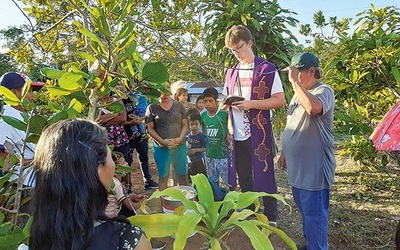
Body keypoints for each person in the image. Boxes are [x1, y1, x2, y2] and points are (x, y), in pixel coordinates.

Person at [30, 119, 151, 249]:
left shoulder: (41, 231)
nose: (114, 165)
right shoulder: (129, 239)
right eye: (111, 156)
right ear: (99, 169)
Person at [223, 25, 285, 224]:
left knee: (264, 172)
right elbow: (226, 98)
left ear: (250, 43)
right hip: (237, 132)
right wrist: (226, 105)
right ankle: (250, 212)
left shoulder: (267, 69)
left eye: (239, 48)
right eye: (232, 50)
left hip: (260, 132)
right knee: (244, 175)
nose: (236, 53)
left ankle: (271, 215)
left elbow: (279, 100)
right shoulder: (231, 72)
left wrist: (251, 104)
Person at [277, 52, 336, 250]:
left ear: (311, 71)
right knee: (306, 213)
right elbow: (291, 123)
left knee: (315, 216)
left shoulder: (324, 91)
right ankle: (311, 244)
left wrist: (295, 83)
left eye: (297, 71)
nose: (293, 76)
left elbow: (313, 108)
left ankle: (317, 246)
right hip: (297, 170)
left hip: (314, 171)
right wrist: (285, 151)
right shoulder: (297, 94)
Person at [0, 72, 44, 187]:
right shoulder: (6, 122)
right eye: (28, 90)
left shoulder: (28, 116)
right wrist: (28, 162)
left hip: (38, 179)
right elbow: (1, 154)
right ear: (14, 93)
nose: (32, 95)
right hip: (24, 183)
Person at [145, 83, 189, 191]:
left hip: (179, 146)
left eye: (167, 88)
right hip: (161, 148)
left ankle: (187, 204)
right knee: (163, 177)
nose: (164, 92)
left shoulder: (178, 106)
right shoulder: (152, 108)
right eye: (161, 89)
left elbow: (185, 124)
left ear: (170, 89)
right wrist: (162, 141)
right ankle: (164, 205)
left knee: (182, 176)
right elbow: (150, 128)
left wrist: (179, 139)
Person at [121, 87, 158, 190]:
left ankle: (148, 180)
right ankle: (129, 186)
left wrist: (138, 119)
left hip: (140, 133)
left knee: (144, 158)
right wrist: (131, 122)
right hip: (125, 136)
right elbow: (118, 120)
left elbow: (144, 114)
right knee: (127, 161)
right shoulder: (117, 102)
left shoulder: (135, 98)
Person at [105, 151, 150, 218]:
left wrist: (133, 197)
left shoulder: (112, 180)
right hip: (112, 218)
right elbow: (132, 207)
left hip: (112, 212)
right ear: (114, 170)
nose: (126, 164)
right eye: (123, 163)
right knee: (146, 210)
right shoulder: (116, 184)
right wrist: (143, 201)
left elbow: (121, 197)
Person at [201, 87, 229, 186]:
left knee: (229, 182)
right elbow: (203, 128)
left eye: (210, 101)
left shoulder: (224, 114)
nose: (207, 104)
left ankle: (233, 200)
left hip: (223, 155)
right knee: (213, 182)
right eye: (205, 101)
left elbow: (231, 127)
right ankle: (217, 199)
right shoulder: (203, 115)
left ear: (216, 101)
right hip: (209, 155)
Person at [186, 112, 207, 177]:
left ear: (200, 125)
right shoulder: (186, 137)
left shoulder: (201, 137)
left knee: (201, 177)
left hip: (199, 161)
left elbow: (206, 148)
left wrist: (196, 150)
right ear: (188, 125)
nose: (194, 126)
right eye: (191, 124)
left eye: (196, 124)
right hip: (189, 162)